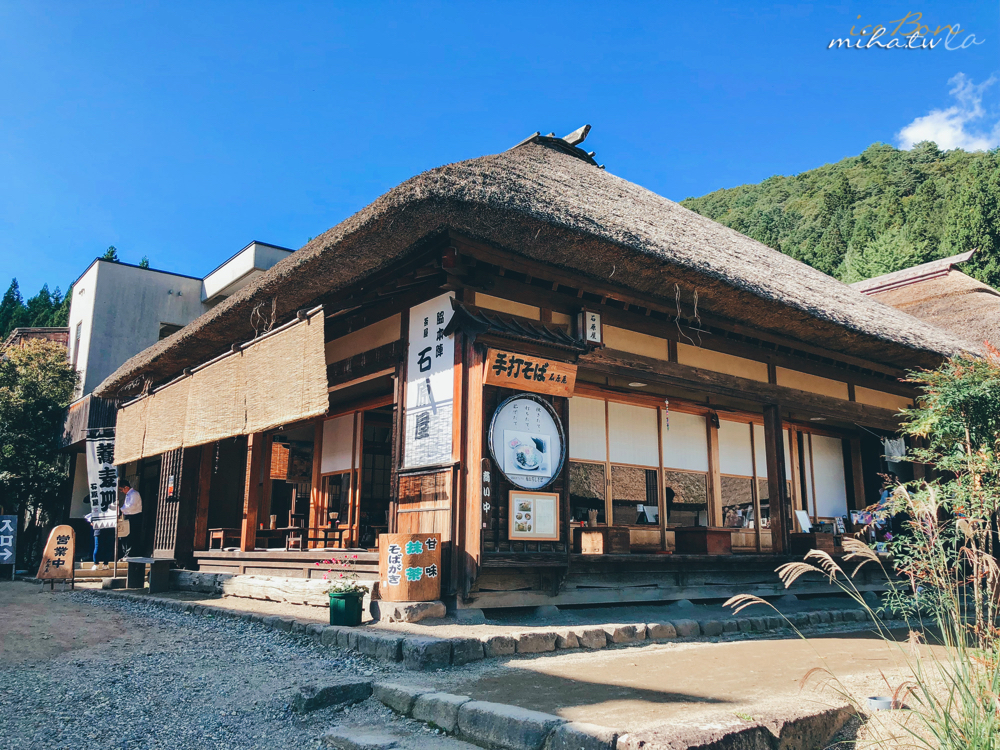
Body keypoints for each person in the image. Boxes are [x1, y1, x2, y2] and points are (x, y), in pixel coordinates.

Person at [119, 480, 143, 556]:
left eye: (121, 489)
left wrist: (121, 509)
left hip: (134, 516)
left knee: (132, 536)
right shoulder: (129, 495)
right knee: (125, 535)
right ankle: (126, 553)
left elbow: (132, 506)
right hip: (128, 516)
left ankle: (130, 554)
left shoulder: (134, 494)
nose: (121, 491)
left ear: (126, 487)